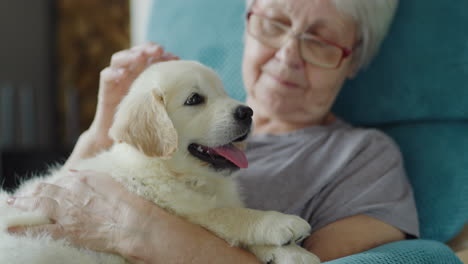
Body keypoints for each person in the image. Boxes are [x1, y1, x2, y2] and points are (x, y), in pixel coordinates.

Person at [6, 0, 419, 263]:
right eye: (274, 23)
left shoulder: (364, 156)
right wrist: (100, 133)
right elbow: (56, 208)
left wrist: (140, 229)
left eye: (321, 42)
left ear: (352, 62)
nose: (287, 55)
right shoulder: (186, 120)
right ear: (247, 24)